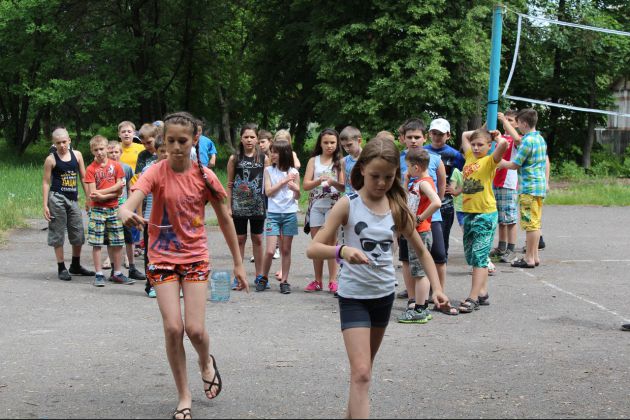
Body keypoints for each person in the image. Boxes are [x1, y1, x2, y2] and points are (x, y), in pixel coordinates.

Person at [306, 138, 449, 419]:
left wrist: (438, 289)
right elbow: (313, 249)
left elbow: (422, 251)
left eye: (388, 177)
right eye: (375, 176)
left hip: (382, 297)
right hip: (353, 298)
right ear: (361, 170)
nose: (381, 183)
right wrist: (342, 251)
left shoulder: (397, 207)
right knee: (361, 373)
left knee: (363, 374)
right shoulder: (348, 205)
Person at [118, 111, 248, 420]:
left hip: (194, 257)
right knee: (173, 328)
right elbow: (132, 200)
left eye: (183, 141)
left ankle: (205, 362)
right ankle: (184, 395)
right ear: (163, 141)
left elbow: (225, 220)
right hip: (161, 258)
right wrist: (124, 210)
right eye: (171, 141)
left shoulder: (205, 176)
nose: (177, 147)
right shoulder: (155, 171)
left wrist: (238, 263)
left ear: (194, 141)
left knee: (196, 330)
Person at [396, 119, 448, 300]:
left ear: (424, 137)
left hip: (431, 217)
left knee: (438, 256)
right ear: (403, 138)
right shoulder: (400, 160)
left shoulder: (434, 159)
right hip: (408, 218)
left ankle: (438, 293)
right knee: (407, 258)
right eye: (409, 137)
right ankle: (413, 296)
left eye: (417, 137)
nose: (413, 141)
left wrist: (432, 206)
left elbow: (441, 184)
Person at [458, 128, 508, 313]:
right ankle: (482, 292)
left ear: (489, 146)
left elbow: (504, 145)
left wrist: (496, 137)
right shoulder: (470, 157)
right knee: (472, 256)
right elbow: (464, 135)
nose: (476, 148)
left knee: (479, 257)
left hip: (485, 214)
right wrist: (482, 131)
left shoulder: (490, 161)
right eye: (474, 144)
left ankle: (472, 298)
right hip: (469, 213)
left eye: (481, 145)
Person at [397, 148, 445, 323]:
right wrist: (406, 180)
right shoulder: (417, 181)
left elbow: (437, 202)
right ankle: (421, 307)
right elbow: (405, 199)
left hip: (421, 231)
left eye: (408, 167)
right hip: (415, 231)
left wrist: (420, 218)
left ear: (416, 167)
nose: (407, 170)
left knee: (419, 272)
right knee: (418, 270)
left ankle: (420, 309)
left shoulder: (424, 183)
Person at [42, 128, 94, 281]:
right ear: (54, 143)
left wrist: (88, 198)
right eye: (58, 143)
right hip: (57, 198)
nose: (62, 145)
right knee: (58, 232)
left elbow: (84, 177)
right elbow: (46, 182)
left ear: (69, 140)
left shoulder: (77, 155)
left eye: (64, 142)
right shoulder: (51, 159)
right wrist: (45, 205)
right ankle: (61, 267)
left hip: (73, 199)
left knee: (78, 231)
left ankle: (75, 265)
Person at [500, 108, 548, 269]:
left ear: (525, 124)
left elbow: (515, 164)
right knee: (535, 222)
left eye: (519, 123)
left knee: (530, 224)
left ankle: (528, 258)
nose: (518, 126)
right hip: (539, 187)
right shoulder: (540, 138)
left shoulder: (527, 141)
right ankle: (534, 256)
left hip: (529, 187)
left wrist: (500, 163)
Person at [84, 135, 133, 287]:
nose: (99, 152)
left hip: (114, 208)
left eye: (101, 149)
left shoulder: (116, 166)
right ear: (92, 151)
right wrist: (108, 192)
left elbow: (120, 191)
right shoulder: (90, 169)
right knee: (97, 242)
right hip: (97, 210)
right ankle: (99, 274)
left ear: (107, 148)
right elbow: (93, 194)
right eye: (96, 150)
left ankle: (117, 273)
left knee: (117, 242)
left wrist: (103, 193)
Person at [303, 128, 345, 293]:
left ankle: (333, 281)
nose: (329, 145)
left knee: (331, 243)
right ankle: (317, 280)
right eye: (326, 142)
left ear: (337, 143)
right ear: (320, 143)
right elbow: (306, 185)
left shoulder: (340, 162)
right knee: (317, 243)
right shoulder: (313, 161)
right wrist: (318, 180)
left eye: (332, 142)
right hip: (316, 204)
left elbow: (343, 187)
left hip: (333, 205)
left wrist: (332, 182)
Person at [227, 123, 269, 289]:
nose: (249, 140)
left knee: (257, 239)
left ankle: (260, 276)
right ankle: (239, 276)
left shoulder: (264, 159)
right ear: (241, 139)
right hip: (239, 205)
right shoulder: (234, 158)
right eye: (246, 137)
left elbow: (268, 183)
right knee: (240, 239)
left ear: (257, 139)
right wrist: (228, 206)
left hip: (258, 205)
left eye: (252, 137)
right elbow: (229, 184)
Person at [257, 140, 300, 294]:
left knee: (286, 250)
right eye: (271, 152)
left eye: (275, 152)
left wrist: (296, 189)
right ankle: (263, 277)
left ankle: (284, 281)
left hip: (289, 214)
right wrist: (283, 182)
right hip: (273, 215)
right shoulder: (268, 171)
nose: (272, 155)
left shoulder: (294, 172)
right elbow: (268, 192)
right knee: (270, 251)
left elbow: (297, 196)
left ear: (284, 153)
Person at [425, 118, 465, 261]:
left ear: (448, 135)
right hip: (425, 202)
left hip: (445, 204)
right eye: (434, 133)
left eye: (441, 134)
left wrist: (458, 189)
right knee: (424, 238)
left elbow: (467, 173)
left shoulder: (455, 155)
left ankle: (441, 265)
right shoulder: (422, 152)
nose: (437, 137)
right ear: (429, 134)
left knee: (442, 240)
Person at [107, 141, 146, 281]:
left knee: (129, 238)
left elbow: (130, 187)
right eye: (111, 152)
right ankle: (114, 269)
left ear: (121, 153)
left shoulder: (126, 168)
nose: (114, 155)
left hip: (124, 208)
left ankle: (132, 268)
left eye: (116, 152)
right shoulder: (104, 168)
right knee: (112, 240)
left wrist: (130, 206)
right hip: (109, 209)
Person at [138, 134, 168, 298]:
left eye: (168, 151)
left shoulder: (175, 169)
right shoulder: (148, 169)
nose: (166, 154)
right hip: (150, 219)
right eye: (162, 151)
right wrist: (139, 216)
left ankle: (169, 283)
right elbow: (139, 194)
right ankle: (151, 284)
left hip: (170, 221)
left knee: (169, 253)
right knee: (151, 254)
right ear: (156, 152)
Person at [489, 111, 520, 263]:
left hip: (508, 183)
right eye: (505, 119)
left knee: (510, 219)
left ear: (517, 124)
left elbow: (516, 139)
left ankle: (511, 250)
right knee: (501, 218)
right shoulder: (501, 137)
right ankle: (501, 247)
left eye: (510, 120)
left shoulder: (516, 139)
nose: (506, 122)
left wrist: (503, 121)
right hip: (496, 181)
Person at [339, 126, 363, 195]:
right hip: (349, 197)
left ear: (359, 141)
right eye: (343, 146)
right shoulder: (344, 161)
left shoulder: (368, 158)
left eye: (349, 145)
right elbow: (346, 185)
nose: (346, 149)